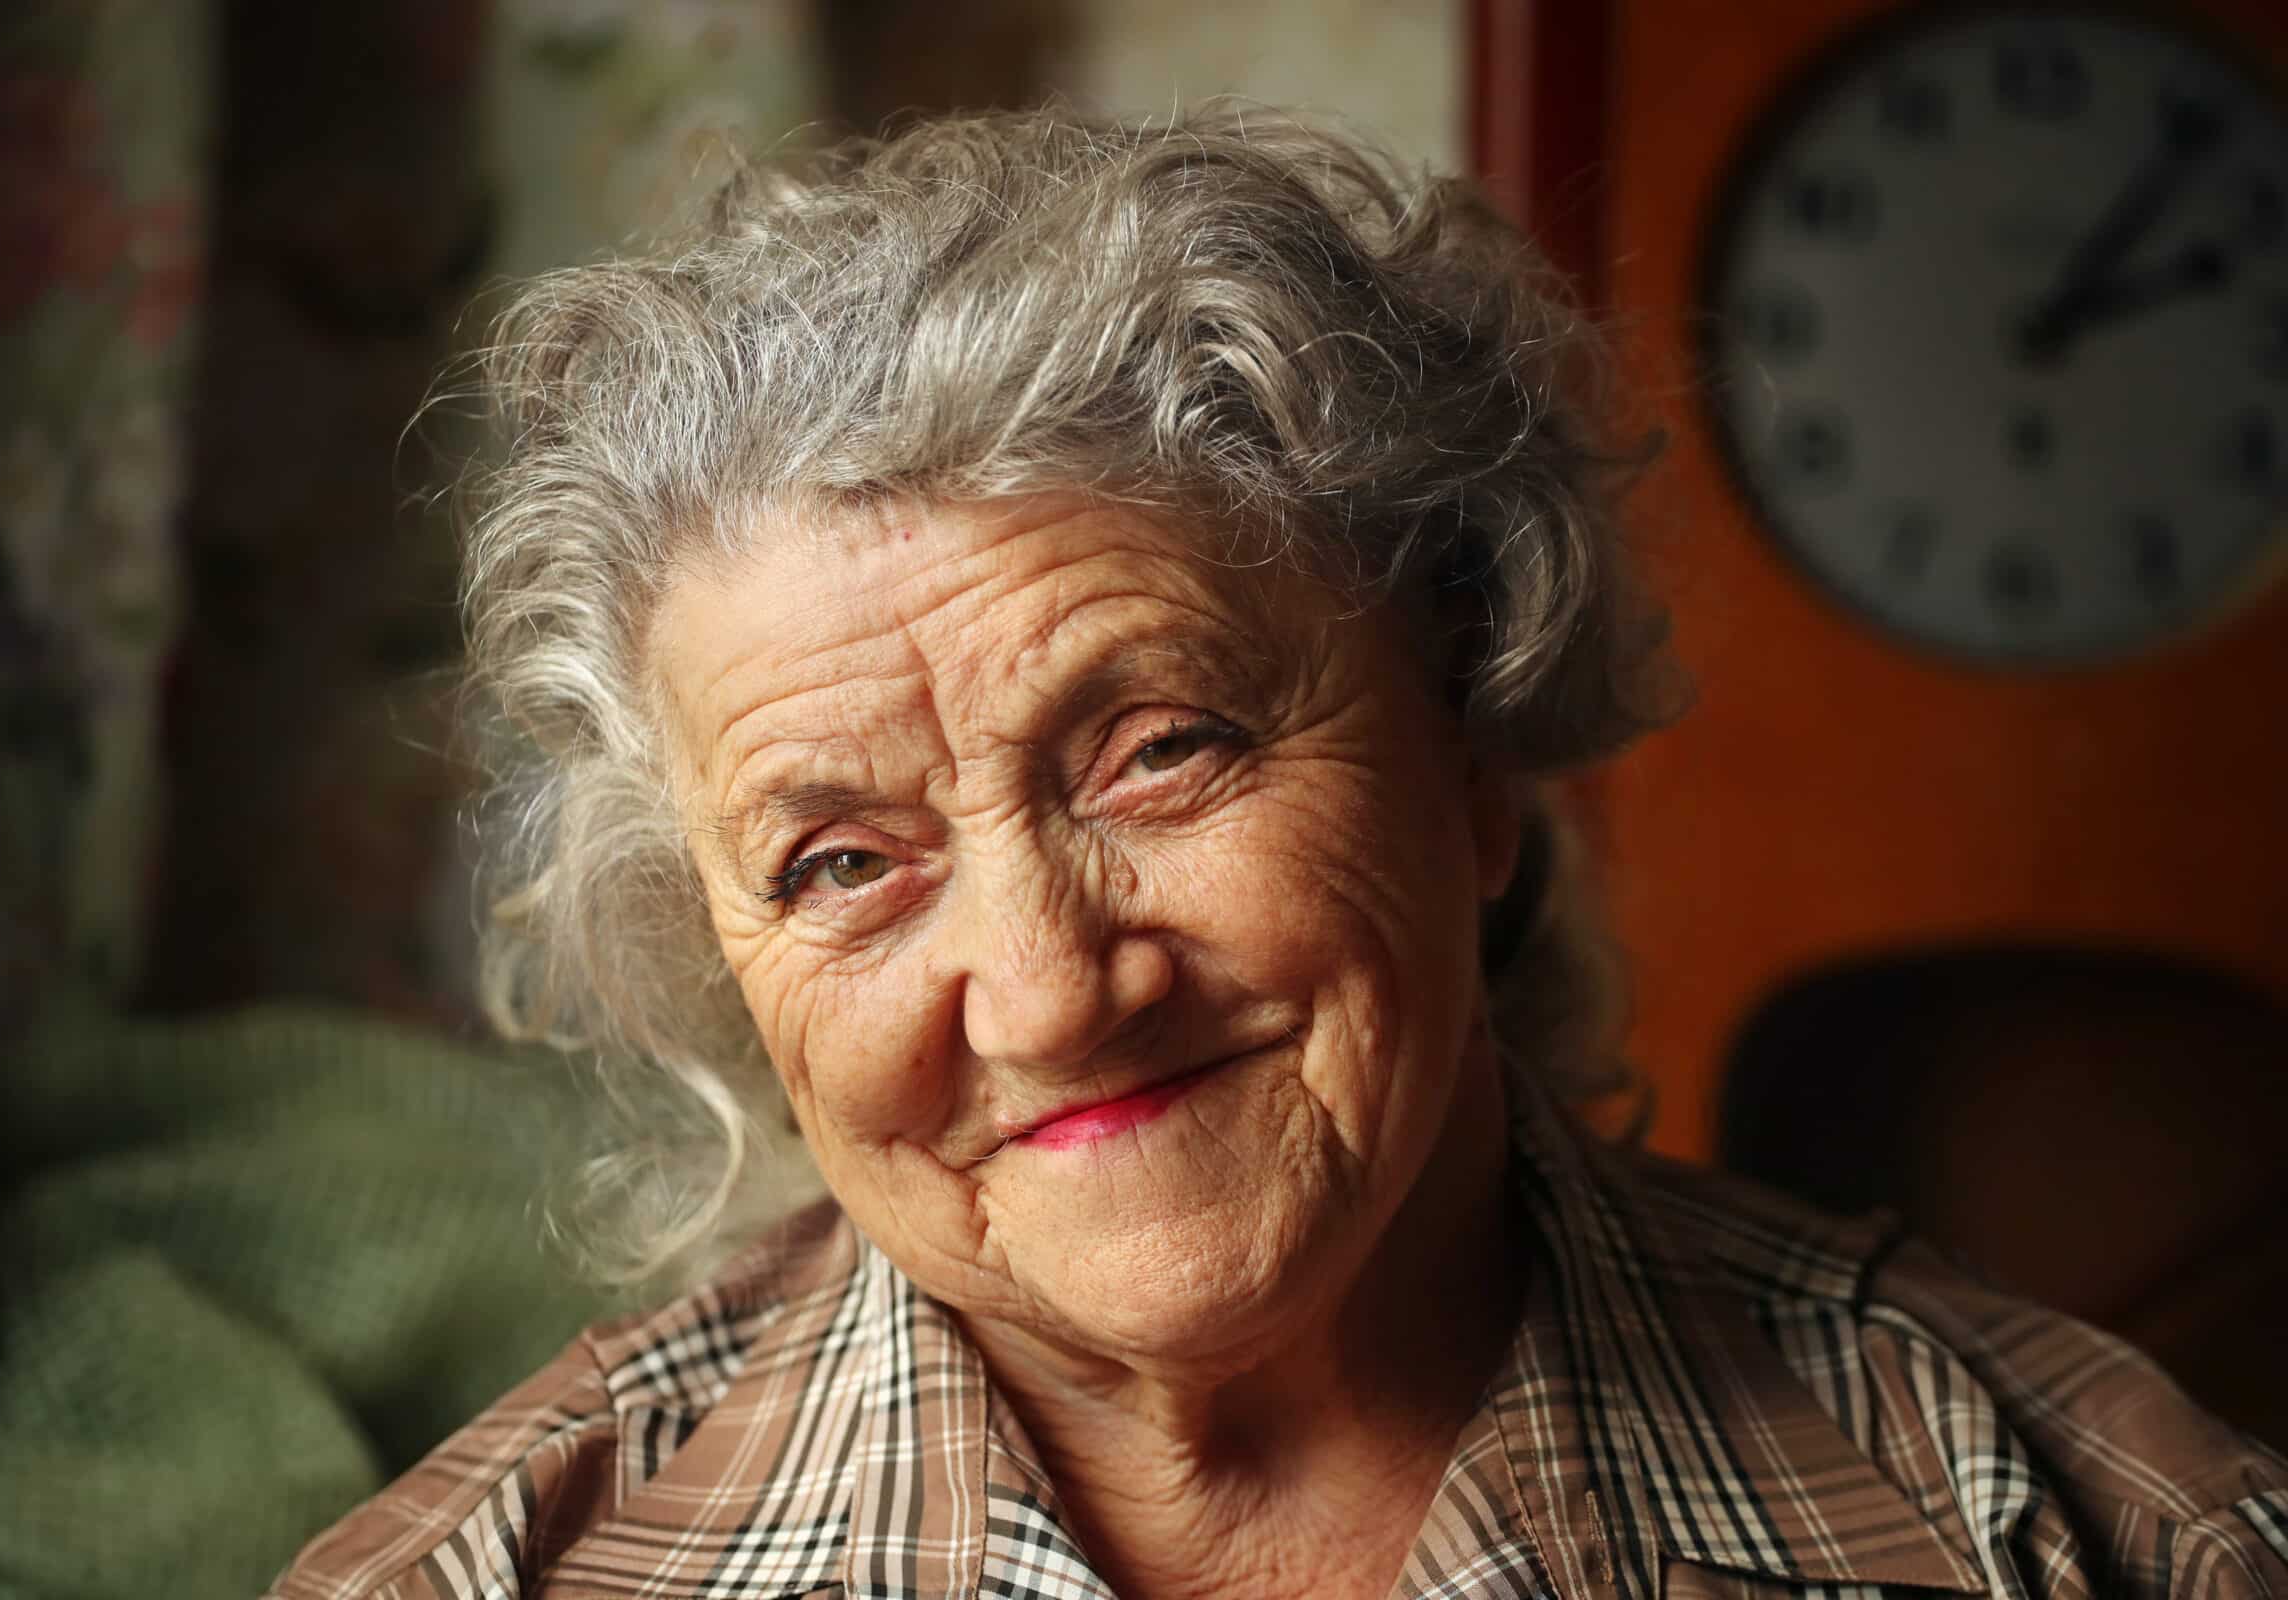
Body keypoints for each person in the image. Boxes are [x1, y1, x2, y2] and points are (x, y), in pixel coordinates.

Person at [266, 106, 2288, 1600]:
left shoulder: (2100, 1533)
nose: (1049, 994)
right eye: (841, 865)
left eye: (1163, 750)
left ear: (1474, 747)